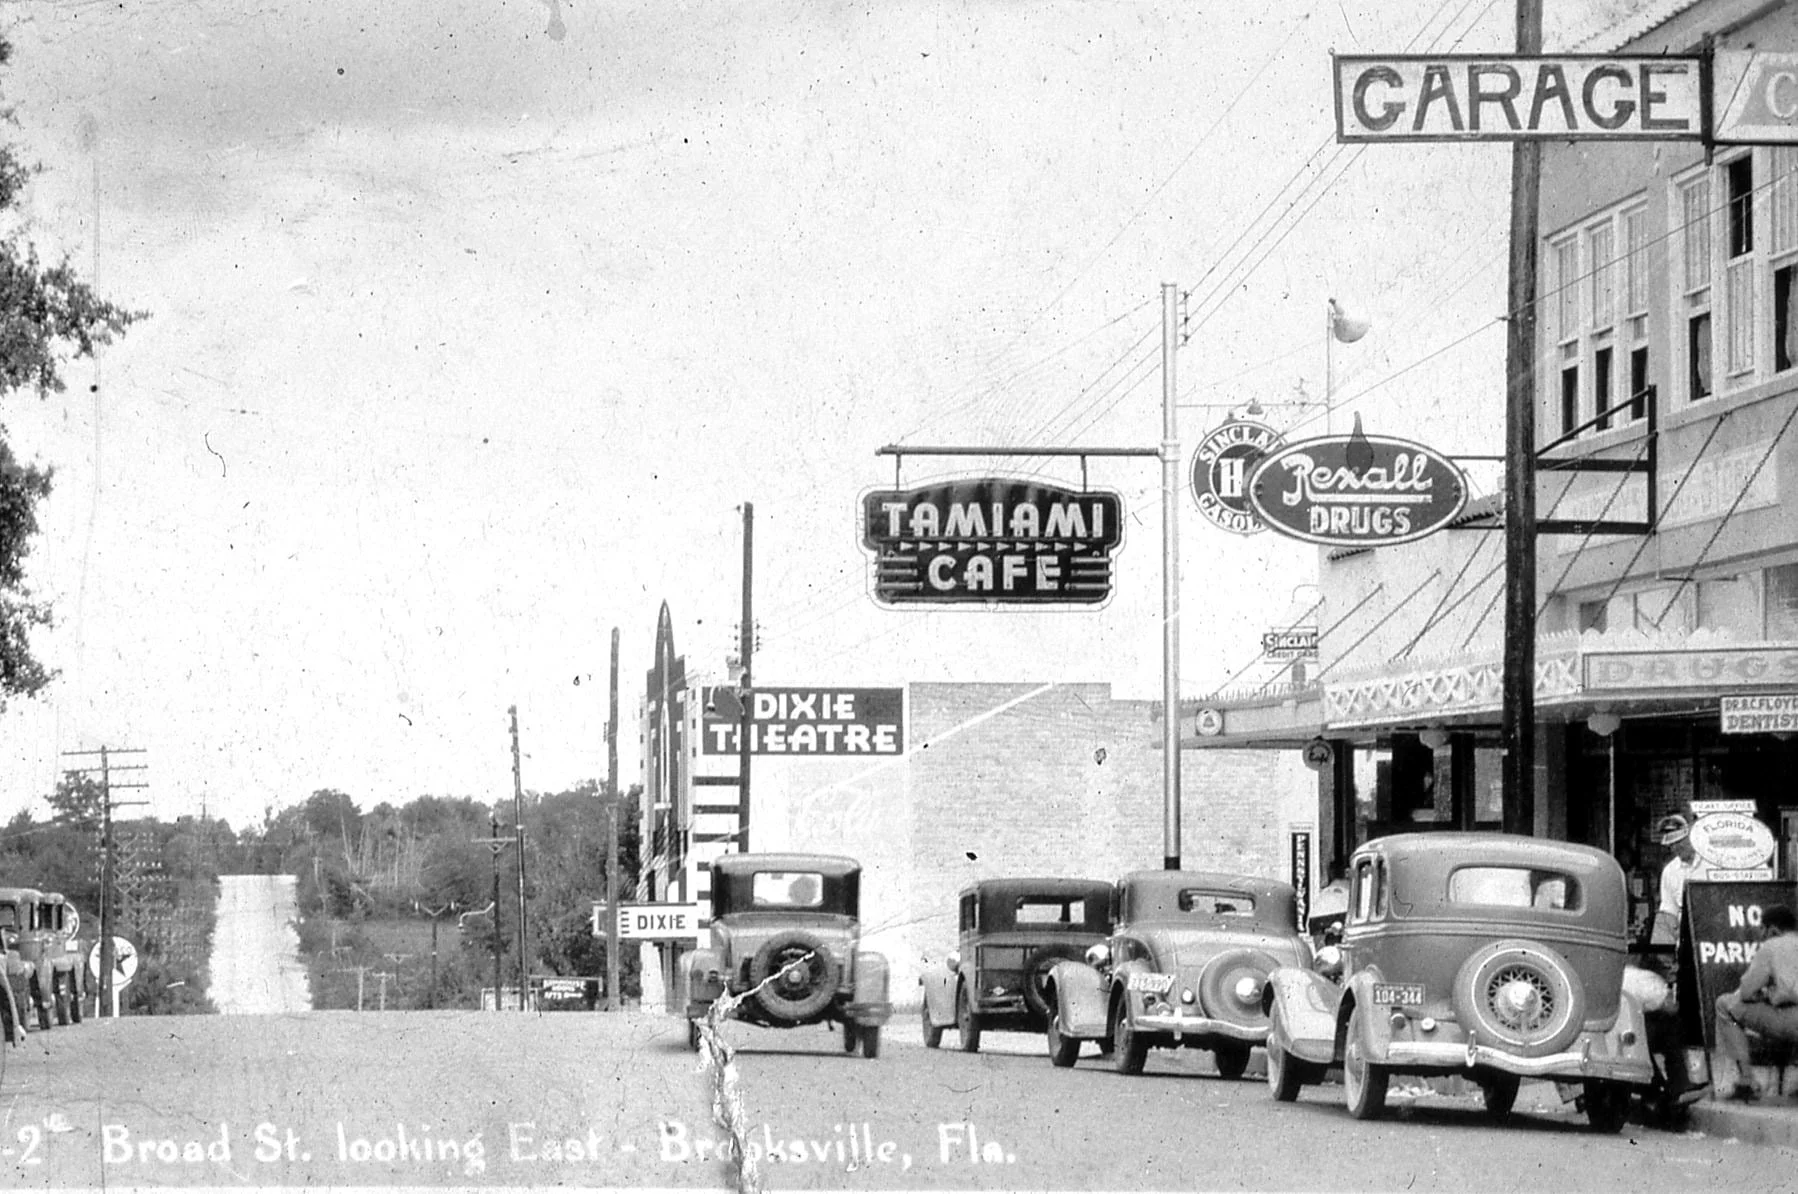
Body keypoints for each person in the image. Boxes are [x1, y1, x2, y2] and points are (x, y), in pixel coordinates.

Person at [1713, 904, 1798, 1102]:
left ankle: (1746, 1080)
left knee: (1725, 1005)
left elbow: (1747, 991)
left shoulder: (1772, 946)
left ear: (1773, 929)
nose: (1760, 934)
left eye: (1763, 929)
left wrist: (1766, 993)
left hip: (1788, 1018)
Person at [1651, 814, 1704, 946]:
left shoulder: (1709, 864)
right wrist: (1662, 949)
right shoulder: (1670, 871)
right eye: (1671, 845)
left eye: (1679, 842)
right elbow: (1668, 912)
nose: (1675, 848)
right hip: (1684, 941)